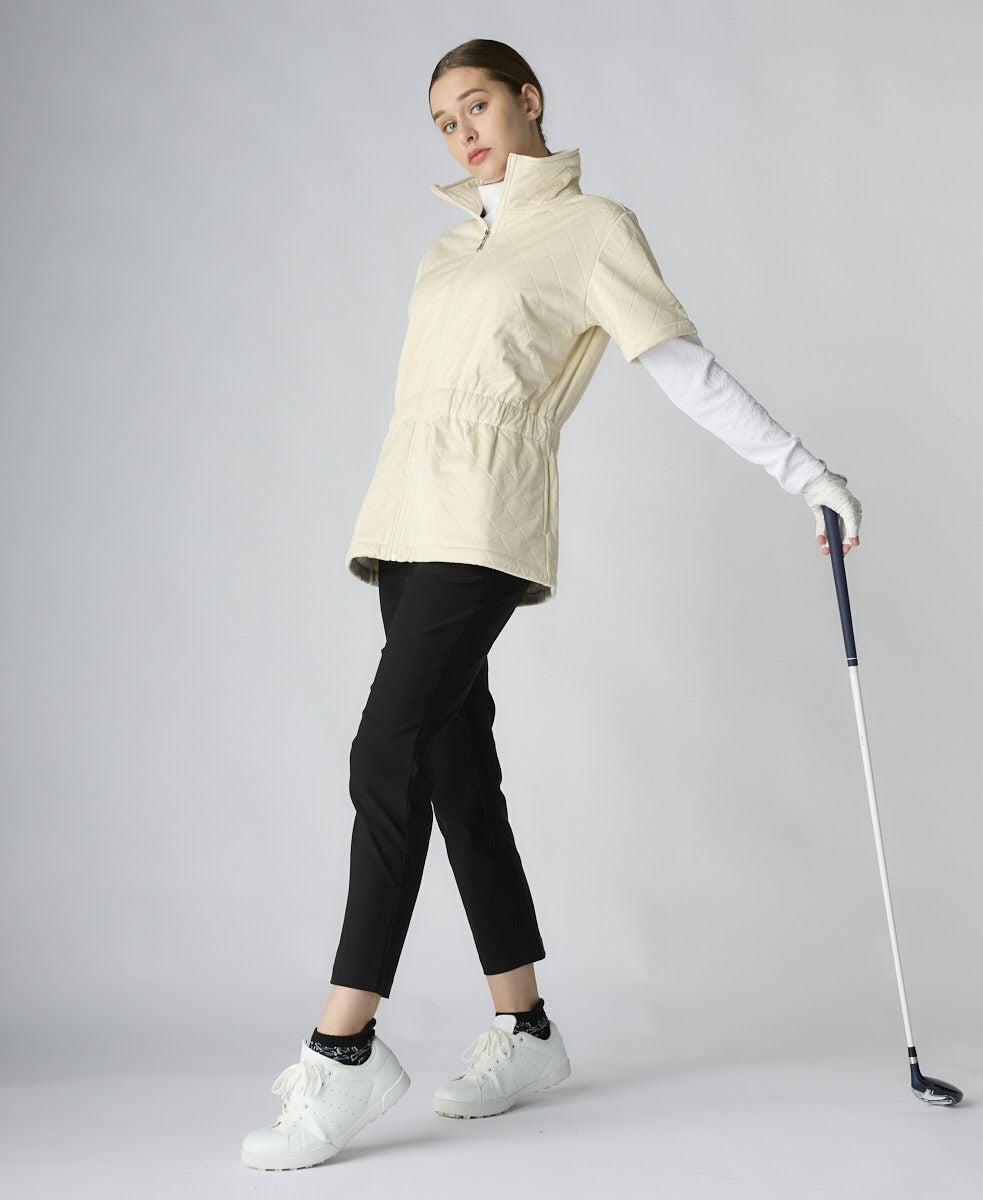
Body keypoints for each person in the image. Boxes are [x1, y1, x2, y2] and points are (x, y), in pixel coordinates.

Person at [241, 38, 862, 1171]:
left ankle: (344, 1049)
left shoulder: (590, 229)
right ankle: (524, 1027)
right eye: (443, 120)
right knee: (452, 767)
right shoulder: (446, 250)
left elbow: (679, 365)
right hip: (404, 520)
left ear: (528, 101)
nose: (462, 131)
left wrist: (804, 473)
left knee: (385, 752)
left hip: (484, 521)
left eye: (477, 104)